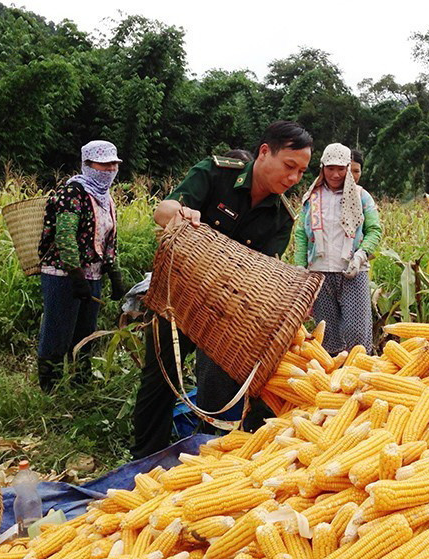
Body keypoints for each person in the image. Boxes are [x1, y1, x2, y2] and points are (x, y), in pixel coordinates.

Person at [130, 121, 312, 459]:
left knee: (227, 382)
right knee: (160, 380)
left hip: (225, 312)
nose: (294, 179)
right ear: (264, 153)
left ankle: (218, 450)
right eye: (289, 166)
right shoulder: (216, 174)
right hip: (178, 295)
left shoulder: (282, 218)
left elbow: (264, 272)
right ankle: (144, 458)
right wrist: (182, 213)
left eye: (301, 172)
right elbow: (162, 211)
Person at [37, 141, 127, 392]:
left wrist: (115, 274)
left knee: (86, 334)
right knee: (58, 331)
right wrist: (76, 275)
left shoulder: (106, 198)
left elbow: (108, 239)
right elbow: (64, 235)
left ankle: (80, 385)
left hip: (93, 274)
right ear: (87, 165)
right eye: (104, 164)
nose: (110, 169)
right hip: (63, 274)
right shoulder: (72, 193)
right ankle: (50, 389)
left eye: (114, 164)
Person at [294, 143, 382, 355]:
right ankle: (331, 380)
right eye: (330, 168)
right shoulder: (312, 197)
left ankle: (359, 372)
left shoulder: (361, 197)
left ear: (348, 168)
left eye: (341, 169)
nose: (335, 174)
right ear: (322, 167)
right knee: (327, 334)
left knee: (356, 331)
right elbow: (301, 234)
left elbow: (374, 230)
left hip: (352, 271)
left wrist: (361, 255)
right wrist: (300, 268)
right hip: (319, 273)